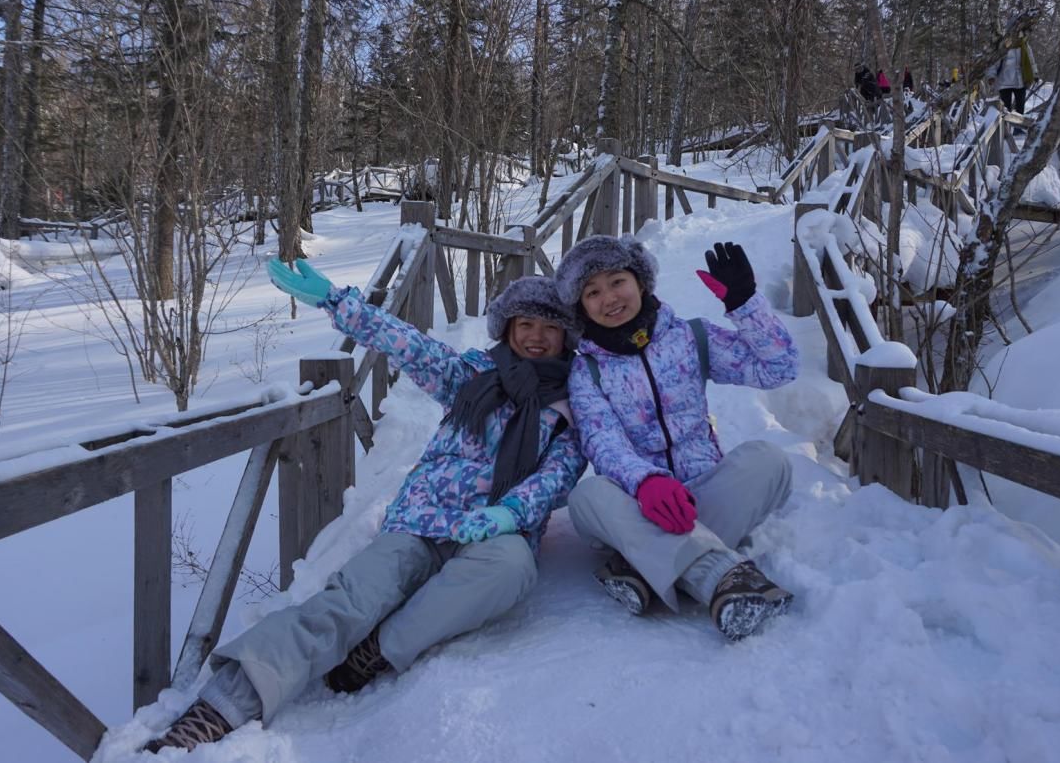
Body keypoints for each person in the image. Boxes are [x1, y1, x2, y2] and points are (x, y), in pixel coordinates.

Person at [144, 266, 586, 752]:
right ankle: (221, 706)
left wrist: (508, 514)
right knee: (350, 600)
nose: (537, 337)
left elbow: (556, 478)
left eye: (549, 327)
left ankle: (377, 649)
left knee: (510, 569)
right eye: (526, 325)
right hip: (421, 521)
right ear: (507, 330)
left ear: (566, 337)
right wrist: (337, 301)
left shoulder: (571, 406)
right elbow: (407, 344)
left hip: (493, 532)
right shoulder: (471, 376)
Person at [553, 235, 800, 642]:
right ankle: (722, 580)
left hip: (703, 497)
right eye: (592, 292)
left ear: (640, 281)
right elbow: (601, 441)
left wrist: (745, 305)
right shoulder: (587, 371)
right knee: (587, 496)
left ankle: (645, 564)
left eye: (617, 281)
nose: (609, 298)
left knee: (769, 461)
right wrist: (645, 481)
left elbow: (780, 369)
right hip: (636, 505)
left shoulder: (691, 337)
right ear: (581, 307)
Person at [988, 37, 1036, 114]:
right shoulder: (1002, 45)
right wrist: (991, 75)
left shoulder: (1023, 45)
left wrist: (1035, 73)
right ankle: (1006, 126)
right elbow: (994, 61)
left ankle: (1018, 125)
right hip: (1004, 81)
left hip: (1020, 81)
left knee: (1020, 109)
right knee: (1005, 110)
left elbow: (1030, 60)